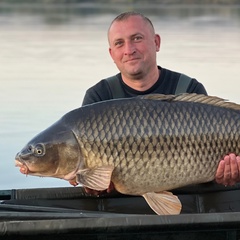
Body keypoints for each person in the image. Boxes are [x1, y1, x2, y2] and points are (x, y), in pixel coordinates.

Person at [81, 12, 240, 212]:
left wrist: (228, 175)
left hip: (190, 205)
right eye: (119, 43)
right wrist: (92, 186)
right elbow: (92, 185)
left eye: (137, 39)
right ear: (112, 53)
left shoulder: (188, 87)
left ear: (156, 42)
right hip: (124, 210)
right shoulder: (98, 99)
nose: (129, 50)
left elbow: (213, 174)